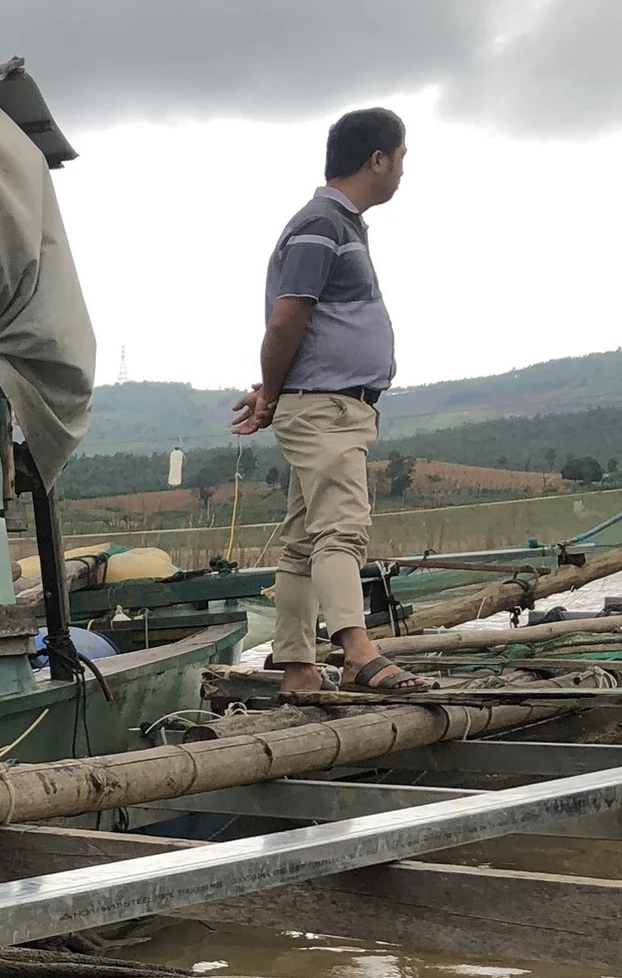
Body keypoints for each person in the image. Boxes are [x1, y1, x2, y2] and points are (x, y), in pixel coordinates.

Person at [231, 106, 425, 697]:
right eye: (401, 158)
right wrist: (271, 391)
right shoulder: (322, 225)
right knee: (342, 530)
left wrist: (273, 393)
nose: (403, 171)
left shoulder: (338, 226)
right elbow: (286, 322)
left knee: (302, 542)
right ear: (377, 160)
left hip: (324, 404)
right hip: (328, 408)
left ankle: (297, 667)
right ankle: (358, 652)